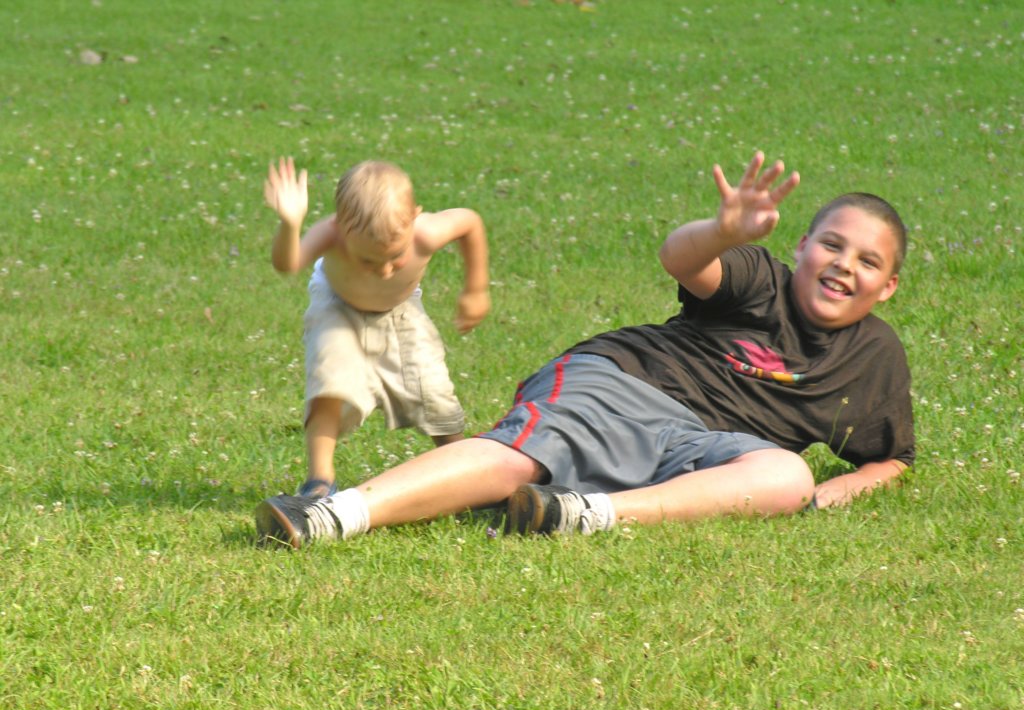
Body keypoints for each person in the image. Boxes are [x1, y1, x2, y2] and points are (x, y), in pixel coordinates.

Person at [255, 151, 914, 547]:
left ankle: (584, 514)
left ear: (887, 287)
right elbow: (682, 260)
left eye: (868, 261)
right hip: (626, 385)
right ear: (802, 246)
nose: (843, 265)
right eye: (832, 245)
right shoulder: (761, 280)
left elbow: (891, 459)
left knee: (789, 476)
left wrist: (845, 486)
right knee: (522, 458)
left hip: (703, 448)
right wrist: (722, 231)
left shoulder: (874, 359)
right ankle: (336, 514)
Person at [263, 157, 490, 498]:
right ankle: (319, 482)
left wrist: (476, 288)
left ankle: (465, 471)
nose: (385, 271)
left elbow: (470, 223)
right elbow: (287, 263)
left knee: (432, 389)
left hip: (401, 308)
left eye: (396, 257)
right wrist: (290, 224)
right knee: (331, 385)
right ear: (340, 228)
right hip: (337, 306)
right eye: (368, 261)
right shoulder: (329, 235)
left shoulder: (427, 232)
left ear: (415, 218)